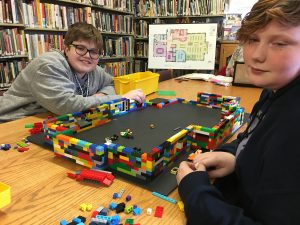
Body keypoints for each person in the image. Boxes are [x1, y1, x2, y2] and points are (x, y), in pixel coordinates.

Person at [176, 0, 300, 224]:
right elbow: (253, 137)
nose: (256, 55)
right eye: (252, 39)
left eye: (280, 43)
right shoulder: (274, 88)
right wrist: (234, 156)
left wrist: (195, 191)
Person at [0, 22, 145, 123]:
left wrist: (101, 95)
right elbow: (67, 105)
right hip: (12, 123)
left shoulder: (94, 69)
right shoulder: (49, 65)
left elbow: (111, 82)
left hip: (51, 119)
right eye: (80, 48)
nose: (88, 55)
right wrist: (121, 98)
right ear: (67, 48)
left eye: (94, 51)